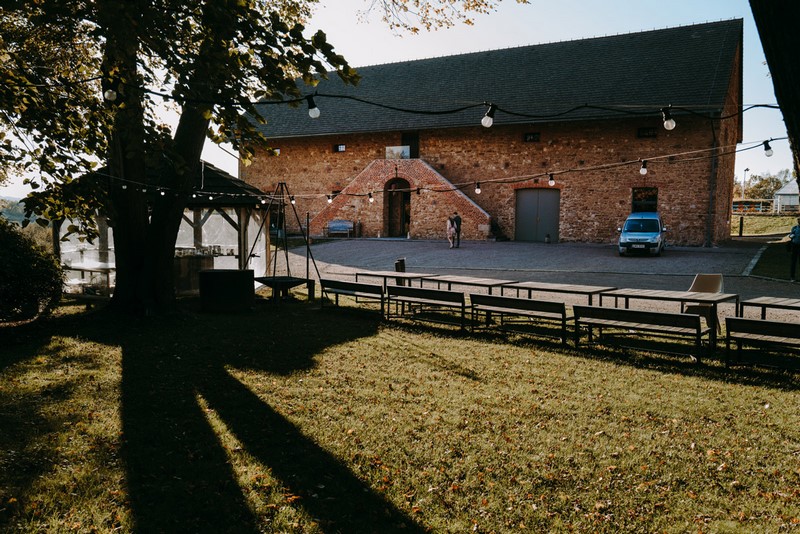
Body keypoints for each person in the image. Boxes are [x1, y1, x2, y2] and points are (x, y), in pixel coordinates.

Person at [789, 217, 800, 281]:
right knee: (793, 262)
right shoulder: (795, 228)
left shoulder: (795, 228)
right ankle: (792, 277)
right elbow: (790, 235)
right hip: (795, 246)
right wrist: (792, 236)